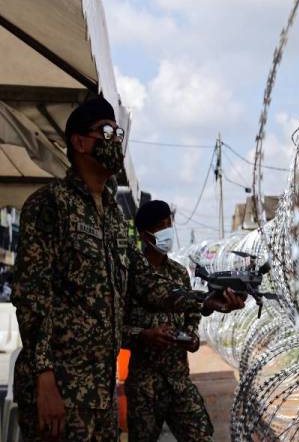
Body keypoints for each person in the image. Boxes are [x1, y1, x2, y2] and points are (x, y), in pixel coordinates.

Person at [11, 97, 245, 441]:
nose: (115, 141)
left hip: (100, 392)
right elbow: (32, 297)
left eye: (117, 133)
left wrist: (207, 301)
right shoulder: (51, 205)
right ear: (79, 142)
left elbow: (147, 283)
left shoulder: (113, 219)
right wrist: (44, 377)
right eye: (105, 132)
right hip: (60, 388)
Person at [123, 200, 213, 441]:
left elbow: (191, 312)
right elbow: (114, 327)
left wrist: (191, 335)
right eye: (161, 227)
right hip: (145, 384)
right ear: (145, 234)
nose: (168, 232)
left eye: (169, 225)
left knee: (201, 436)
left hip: (178, 380)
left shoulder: (178, 272)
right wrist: (144, 335)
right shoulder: (130, 275)